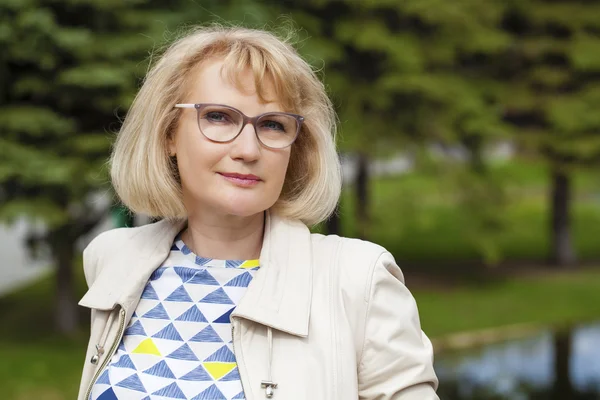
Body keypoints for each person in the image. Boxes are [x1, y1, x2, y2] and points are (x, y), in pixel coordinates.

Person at [77, 25, 439, 400]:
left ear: (295, 148)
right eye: (218, 117)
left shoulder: (357, 283)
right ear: (169, 132)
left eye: (272, 124)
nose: (248, 149)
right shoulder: (115, 261)